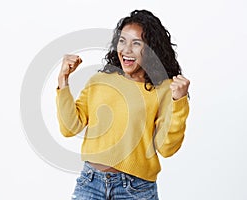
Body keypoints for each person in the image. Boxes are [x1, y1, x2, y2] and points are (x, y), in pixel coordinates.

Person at [56, 9, 190, 200]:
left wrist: (179, 102)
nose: (126, 50)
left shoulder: (165, 89)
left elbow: (167, 148)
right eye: (122, 41)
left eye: (136, 43)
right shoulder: (99, 80)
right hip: (90, 183)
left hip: (136, 189)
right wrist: (63, 79)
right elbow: (69, 128)